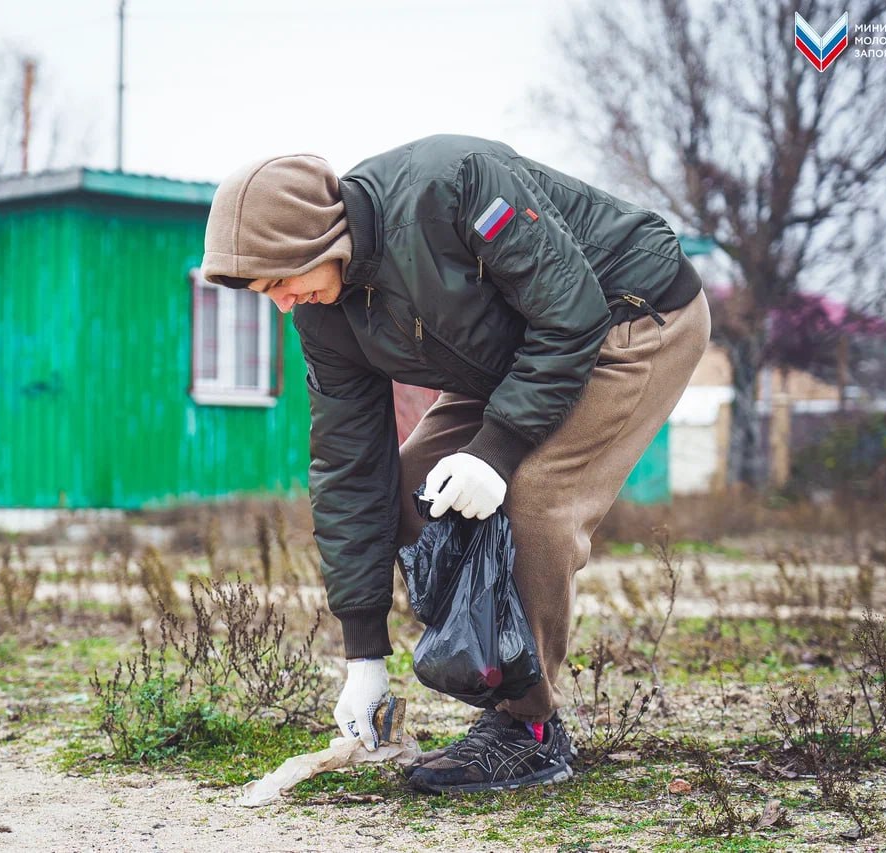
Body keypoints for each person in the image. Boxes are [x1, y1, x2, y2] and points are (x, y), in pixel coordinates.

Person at [200, 135, 710, 793]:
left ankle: (529, 730)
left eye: (280, 282)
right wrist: (364, 657)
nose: (280, 302)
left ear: (316, 239)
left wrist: (493, 453)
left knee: (534, 501)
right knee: (415, 489)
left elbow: (570, 313)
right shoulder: (325, 317)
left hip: (628, 318)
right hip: (514, 355)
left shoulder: (455, 186)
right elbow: (350, 468)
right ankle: (504, 692)